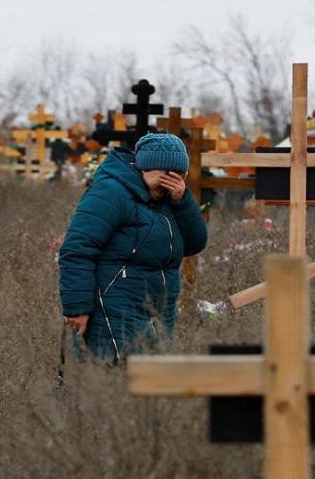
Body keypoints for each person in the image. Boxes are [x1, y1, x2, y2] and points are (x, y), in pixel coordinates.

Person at [57, 133, 208, 362]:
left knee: (150, 387)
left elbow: (195, 244)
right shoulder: (111, 192)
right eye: (166, 175)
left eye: (180, 176)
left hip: (157, 313)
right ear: (145, 168)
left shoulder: (168, 201)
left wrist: (182, 200)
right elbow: (77, 249)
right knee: (116, 386)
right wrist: (77, 308)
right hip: (113, 309)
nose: (172, 181)